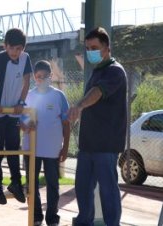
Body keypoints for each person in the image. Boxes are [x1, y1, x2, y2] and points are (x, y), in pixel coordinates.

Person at [68, 27, 127, 226]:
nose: (90, 51)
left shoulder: (115, 71)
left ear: (107, 47)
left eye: (94, 47)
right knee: (83, 186)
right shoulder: (97, 71)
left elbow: (98, 93)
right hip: (88, 143)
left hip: (106, 144)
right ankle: (84, 221)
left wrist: (78, 105)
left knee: (108, 189)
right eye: (87, 48)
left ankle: (112, 223)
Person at [21, 60, 70, 226]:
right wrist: (27, 126)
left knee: (52, 185)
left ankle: (52, 218)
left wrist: (66, 147)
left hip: (52, 149)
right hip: (31, 149)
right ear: (35, 77)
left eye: (45, 76)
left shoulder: (59, 96)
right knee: (32, 185)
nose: (41, 79)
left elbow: (66, 123)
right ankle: (36, 217)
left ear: (51, 76)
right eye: (38, 77)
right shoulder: (28, 96)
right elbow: (22, 122)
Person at [0, 28, 33, 205]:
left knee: (14, 148)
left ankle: (16, 182)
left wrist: (21, 103)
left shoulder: (25, 58)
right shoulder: (0, 58)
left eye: (19, 49)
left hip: (13, 112)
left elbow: (27, 80)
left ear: (23, 48)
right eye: (12, 48)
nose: (15, 52)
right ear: (5, 46)